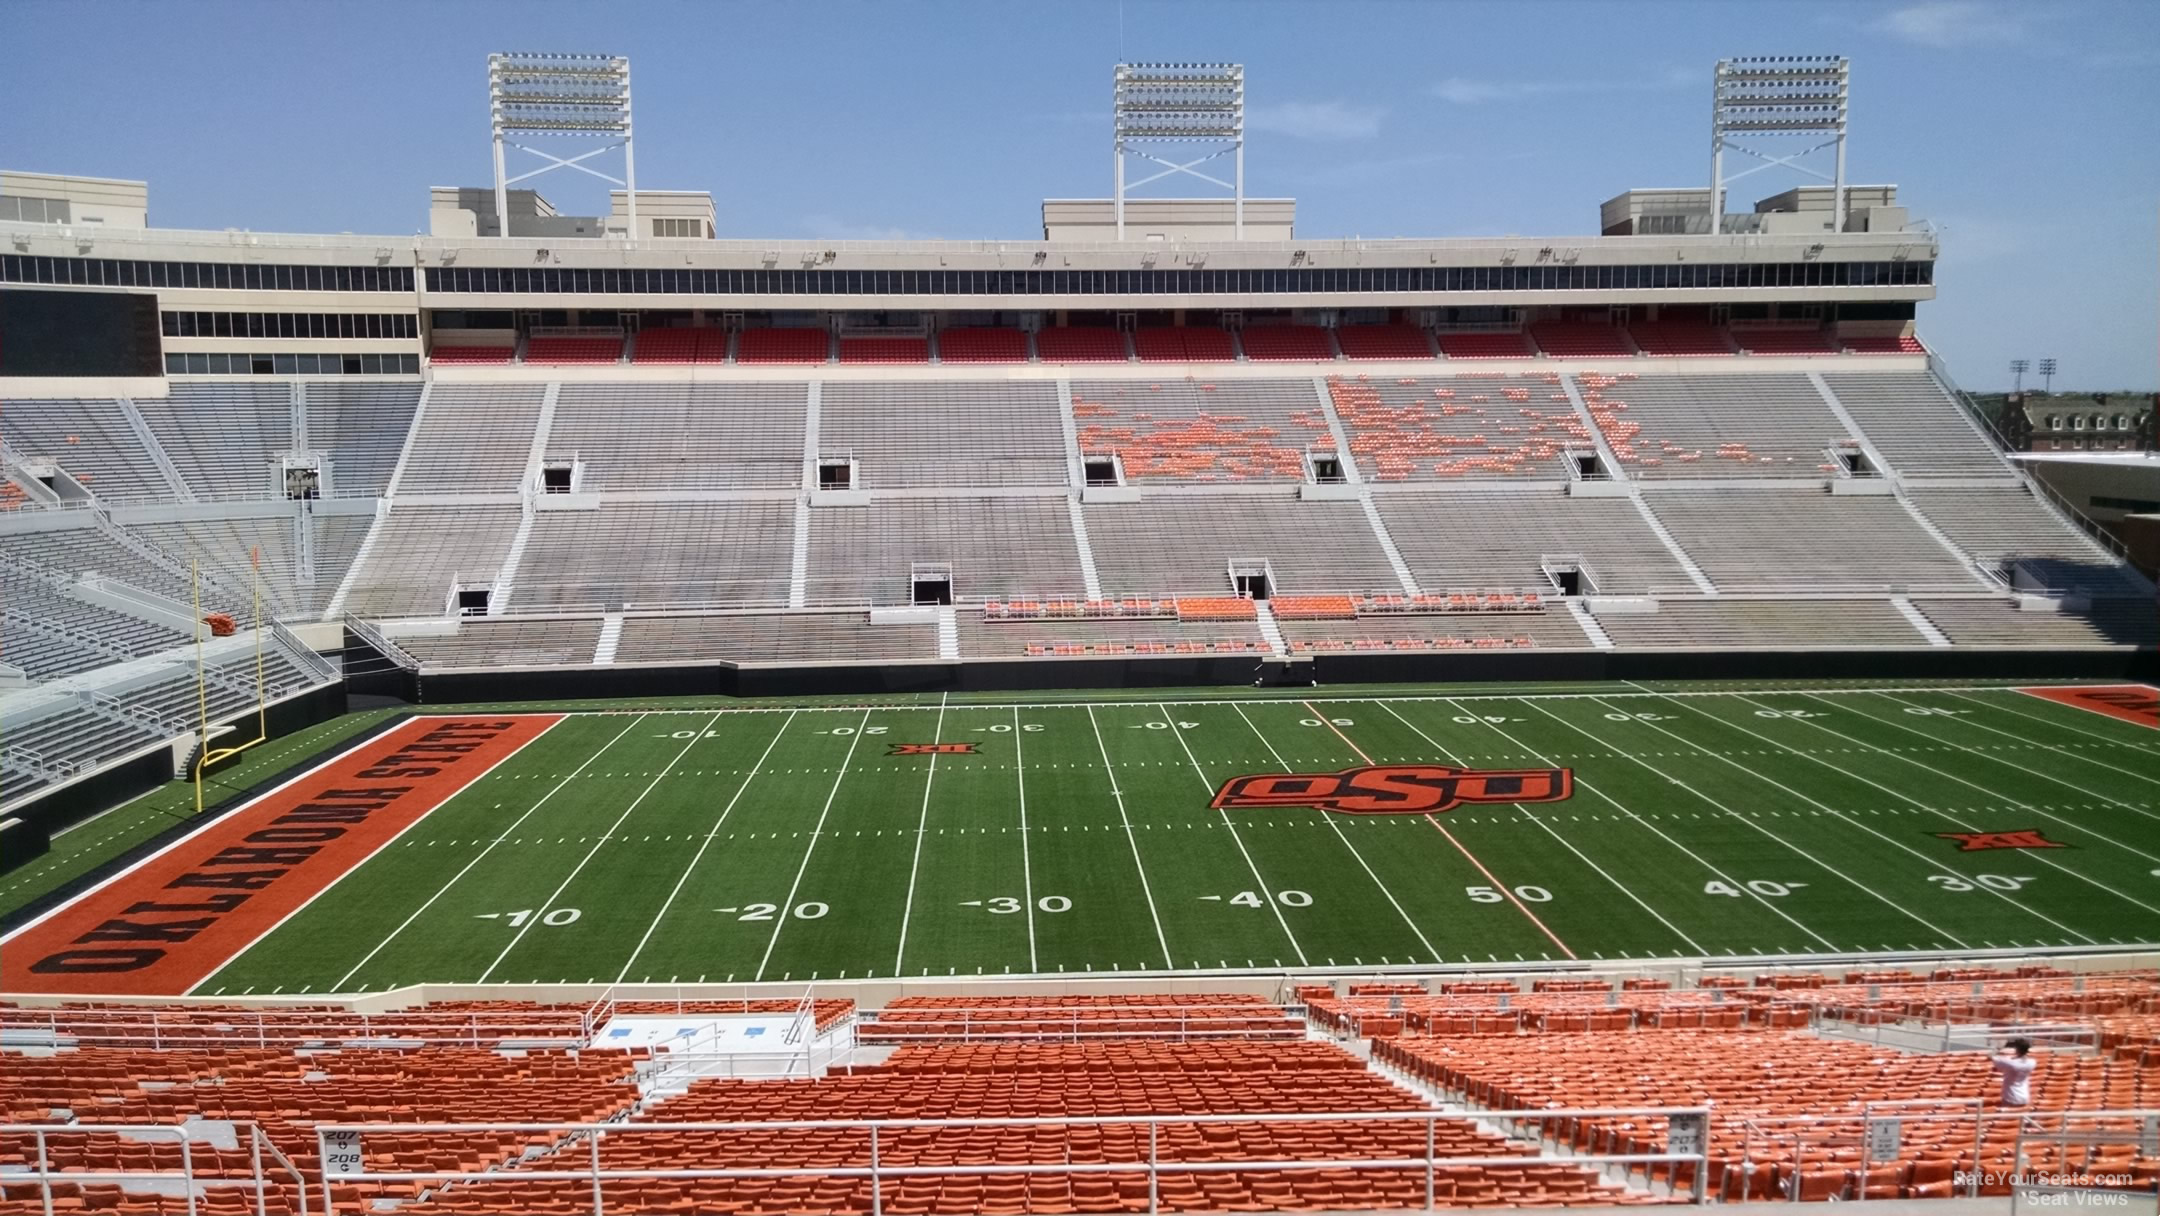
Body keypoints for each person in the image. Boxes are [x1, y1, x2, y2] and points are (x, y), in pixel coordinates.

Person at [1991, 1038, 2036, 1107]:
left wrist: (1998, 1048)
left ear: (2017, 1049)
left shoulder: (2010, 1063)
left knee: (2008, 1117)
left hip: (2011, 1097)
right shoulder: (2032, 1062)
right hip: (2024, 1096)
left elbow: (1992, 1057)